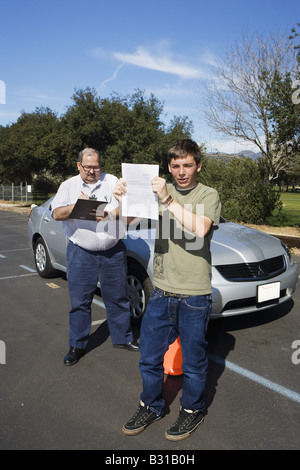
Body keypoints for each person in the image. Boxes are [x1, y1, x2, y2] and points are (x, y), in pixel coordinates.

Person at [114, 139, 221, 441]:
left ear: (198, 165)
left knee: (194, 362)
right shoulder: (160, 192)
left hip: (194, 294)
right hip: (161, 291)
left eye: (188, 165)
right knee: (149, 355)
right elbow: (122, 224)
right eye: (175, 166)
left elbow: (199, 229)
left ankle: (193, 409)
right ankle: (151, 405)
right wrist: (122, 200)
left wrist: (167, 200)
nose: (181, 171)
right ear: (169, 167)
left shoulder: (207, 194)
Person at [52, 147, 139, 367]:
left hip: (113, 250)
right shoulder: (68, 186)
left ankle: (123, 338)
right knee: (80, 302)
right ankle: (77, 345)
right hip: (81, 252)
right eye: (88, 167)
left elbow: (130, 212)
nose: (92, 171)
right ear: (78, 165)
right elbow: (56, 213)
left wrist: (109, 211)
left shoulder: (113, 182)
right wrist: (79, 207)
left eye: (96, 166)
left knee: (118, 298)